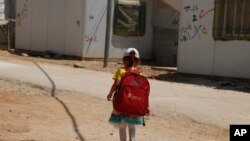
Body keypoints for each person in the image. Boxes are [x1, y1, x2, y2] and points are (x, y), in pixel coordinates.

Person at [107, 48, 147, 141]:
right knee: (132, 127)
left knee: (122, 127)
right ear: (137, 61)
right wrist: (146, 106)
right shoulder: (139, 73)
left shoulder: (121, 71)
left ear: (124, 60)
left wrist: (110, 94)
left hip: (122, 103)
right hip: (135, 104)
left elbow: (116, 85)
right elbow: (143, 91)